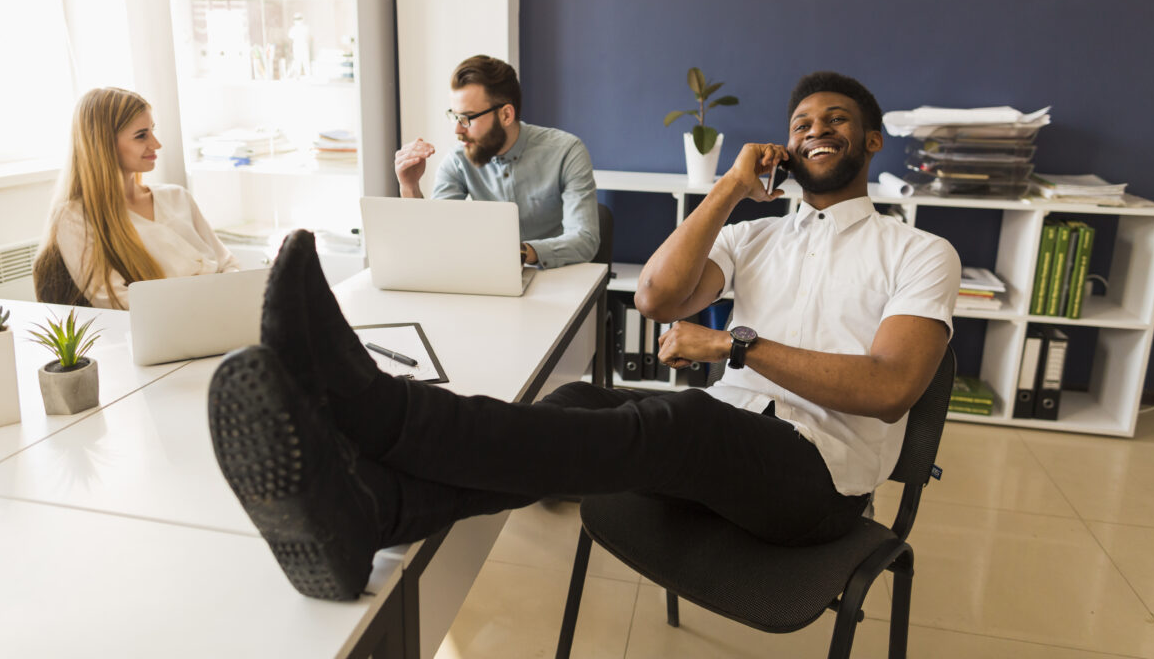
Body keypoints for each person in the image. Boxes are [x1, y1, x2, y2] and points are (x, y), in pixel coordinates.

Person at [208, 71, 960, 601]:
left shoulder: (919, 253)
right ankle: (374, 512)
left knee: (679, 421)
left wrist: (735, 347)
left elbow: (891, 390)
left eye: (835, 122)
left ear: (871, 145)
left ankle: (380, 413)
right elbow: (663, 297)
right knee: (575, 397)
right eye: (802, 124)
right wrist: (730, 188)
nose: (816, 131)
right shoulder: (757, 235)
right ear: (785, 149)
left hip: (820, 486)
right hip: (732, 449)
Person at [33, 87, 240, 309]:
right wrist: (203, 301)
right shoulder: (75, 217)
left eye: (152, 131)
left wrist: (228, 298)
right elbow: (114, 300)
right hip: (168, 329)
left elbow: (227, 263)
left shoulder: (177, 197)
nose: (156, 144)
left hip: (220, 312)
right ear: (103, 144)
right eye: (141, 136)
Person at [393, 54, 599, 268]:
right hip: (485, 279)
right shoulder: (458, 160)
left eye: (467, 118)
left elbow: (585, 240)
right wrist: (409, 185)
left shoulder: (567, 151)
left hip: (556, 278)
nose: (457, 130)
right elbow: (435, 240)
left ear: (506, 115)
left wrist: (521, 253)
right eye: (455, 116)